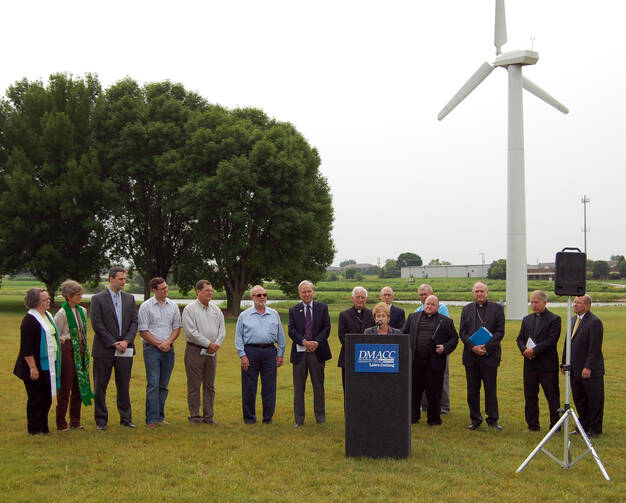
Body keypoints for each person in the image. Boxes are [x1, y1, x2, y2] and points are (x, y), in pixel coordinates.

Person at [90, 266, 138, 430]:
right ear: (111, 279)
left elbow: (134, 322)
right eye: (121, 279)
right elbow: (97, 324)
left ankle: (126, 418)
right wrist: (113, 342)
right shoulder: (98, 299)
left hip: (125, 349)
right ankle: (101, 421)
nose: (124, 281)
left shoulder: (129, 298)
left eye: (125, 279)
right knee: (100, 386)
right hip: (104, 349)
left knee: (123, 385)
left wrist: (126, 341)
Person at [402, 295, 458, 425]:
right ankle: (413, 417)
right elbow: (403, 334)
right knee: (414, 391)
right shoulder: (412, 317)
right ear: (423, 304)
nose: (429, 306)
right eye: (427, 304)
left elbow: (454, 338)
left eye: (432, 304)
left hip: (434, 363)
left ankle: (434, 419)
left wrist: (445, 347)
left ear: (438, 307)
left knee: (434, 393)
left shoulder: (446, 321)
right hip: (415, 362)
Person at [235, 285, 286, 424]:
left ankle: (268, 418)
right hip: (250, 352)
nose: (262, 297)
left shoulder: (274, 314)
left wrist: (280, 354)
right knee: (249, 387)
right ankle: (249, 418)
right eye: (259, 295)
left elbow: (281, 336)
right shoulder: (244, 315)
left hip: (270, 352)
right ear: (252, 298)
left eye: (264, 294)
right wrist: (243, 355)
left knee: (269, 386)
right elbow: (238, 337)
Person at [14, 288, 61, 434]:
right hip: (34, 366)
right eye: (45, 300)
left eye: (48, 299)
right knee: (35, 398)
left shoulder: (47, 315)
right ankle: (34, 429)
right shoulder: (29, 320)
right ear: (35, 302)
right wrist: (32, 368)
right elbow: (26, 348)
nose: (48, 301)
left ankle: (44, 426)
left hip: (49, 365)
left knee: (47, 398)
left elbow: (51, 334)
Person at [459, 281, 505, 430]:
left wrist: (485, 346)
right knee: (472, 390)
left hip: (489, 355)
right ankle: (475, 419)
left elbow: (500, 331)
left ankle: (493, 419)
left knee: (490, 389)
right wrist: (473, 347)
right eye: (477, 291)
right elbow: (462, 332)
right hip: (471, 356)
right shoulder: (466, 309)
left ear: (487, 292)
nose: (479, 294)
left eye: (482, 291)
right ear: (473, 293)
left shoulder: (497, 309)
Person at [138, 277, 182, 427]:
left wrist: (168, 342)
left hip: (169, 349)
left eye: (166, 288)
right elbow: (143, 331)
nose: (165, 291)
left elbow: (177, 327)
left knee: (163, 385)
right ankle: (151, 419)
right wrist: (158, 344)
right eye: (162, 289)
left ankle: (160, 416)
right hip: (151, 350)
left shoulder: (173, 306)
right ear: (154, 290)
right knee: (153, 384)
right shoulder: (146, 307)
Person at [288, 280, 332, 426]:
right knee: (299, 388)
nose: (306, 294)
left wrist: (315, 343)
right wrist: (304, 342)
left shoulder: (322, 308)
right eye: (303, 292)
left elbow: (327, 327)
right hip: (300, 354)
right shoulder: (294, 310)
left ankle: (320, 418)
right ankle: (299, 420)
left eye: (309, 291)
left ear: (313, 292)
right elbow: (291, 330)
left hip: (318, 353)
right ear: (299, 294)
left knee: (318, 387)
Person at [516, 290, 561, 432]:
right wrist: (524, 350)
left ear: (544, 303)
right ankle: (532, 425)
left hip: (547, 365)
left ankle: (555, 426)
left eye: (536, 302)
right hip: (530, 364)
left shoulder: (554, 319)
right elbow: (520, 338)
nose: (533, 305)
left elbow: (551, 341)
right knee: (530, 395)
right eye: (532, 302)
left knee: (552, 396)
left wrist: (534, 351)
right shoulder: (527, 319)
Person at [182, 280, 225, 425]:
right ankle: (194, 416)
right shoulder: (190, 309)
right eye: (207, 290)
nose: (210, 293)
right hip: (195, 350)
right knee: (194, 385)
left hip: (212, 352)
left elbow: (222, 329)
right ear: (198, 291)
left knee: (209, 385)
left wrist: (216, 344)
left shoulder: (215, 309)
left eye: (211, 290)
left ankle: (208, 416)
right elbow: (191, 332)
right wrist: (208, 343)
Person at [562, 295, 604, 437]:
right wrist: (564, 362)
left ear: (587, 305)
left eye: (578, 303)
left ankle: (595, 429)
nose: (574, 304)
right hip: (574, 368)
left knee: (594, 399)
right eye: (574, 302)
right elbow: (568, 343)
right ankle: (583, 426)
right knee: (579, 399)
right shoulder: (573, 320)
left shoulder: (594, 322)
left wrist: (588, 367)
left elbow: (594, 348)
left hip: (590, 370)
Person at [54, 280, 93, 431]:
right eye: (77, 295)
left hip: (81, 347)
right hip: (68, 349)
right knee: (66, 386)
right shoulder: (62, 313)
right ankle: (61, 422)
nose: (80, 297)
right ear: (68, 296)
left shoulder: (82, 311)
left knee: (79, 384)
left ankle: (75, 421)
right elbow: (57, 334)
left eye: (81, 294)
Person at [415, 283, 451, 414]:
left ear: (432, 294)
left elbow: (445, 328)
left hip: (438, 351)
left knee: (442, 379)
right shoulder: (417, 311)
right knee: (423, 380)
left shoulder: (442, 308)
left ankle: (444, 406)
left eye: (426, 294)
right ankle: (425, 406)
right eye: (421, 295)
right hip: (422, 354)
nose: (424, 297)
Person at [337, 286, 375, 390]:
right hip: (349, 356)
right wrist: (356, 349)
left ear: (366, 299)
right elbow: (342, 336)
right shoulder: (344, 315)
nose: (360, 300)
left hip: (367, 357)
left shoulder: (372, 315)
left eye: (363, 297)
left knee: (365, 388)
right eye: (358, 297)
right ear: (353, 298)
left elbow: (374, 335)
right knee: (348, 388)